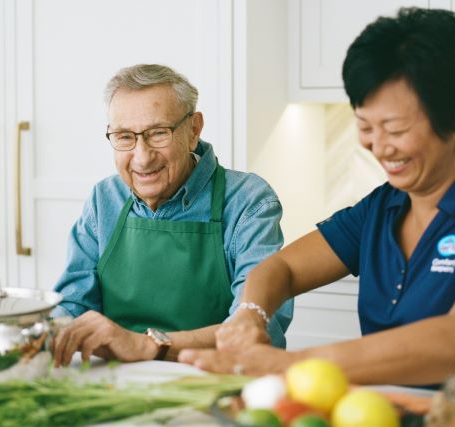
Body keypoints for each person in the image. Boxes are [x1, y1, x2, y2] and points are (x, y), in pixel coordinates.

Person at [179, 8, 455, 387]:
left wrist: (285, 365)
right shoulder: (381, 208)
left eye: (395, 128)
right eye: (365, 126)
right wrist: (250, 314)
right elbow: (282, 269)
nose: (379, 146)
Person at [51, 64, 292, 367]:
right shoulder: (104, 199)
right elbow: (73, 305)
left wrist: (147, 345)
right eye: (125, 137)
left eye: (157, 134)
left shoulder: (246, 200)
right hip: (115, 382)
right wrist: (42, 333)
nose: (142, 157)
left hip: (213, 383)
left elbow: (258, 330)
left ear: (193, 130)